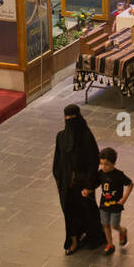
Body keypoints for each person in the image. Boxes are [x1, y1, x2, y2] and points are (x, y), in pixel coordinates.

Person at [52, 105, 104, 254]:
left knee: (87, 210)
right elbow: (57, 161)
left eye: (72, 119)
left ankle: (92, 236)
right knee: (69, 212)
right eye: (67, 119)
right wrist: (59, 182)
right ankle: (73, 239)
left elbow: (93, 162)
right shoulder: (61, 137)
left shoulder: (86, 137)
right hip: (66, 184)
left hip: (82, 184)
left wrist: (89, 186)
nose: (70, 122)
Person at [90, 147, 134, 255]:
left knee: (114, 225)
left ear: (113, 163)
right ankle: (110, 244)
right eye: (101, 164)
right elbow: (95, 184)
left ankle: (122, 231)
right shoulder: (100, 173)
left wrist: (124, 199)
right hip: (104, 204)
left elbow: (130, 184)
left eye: (106, 164)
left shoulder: (119, 175)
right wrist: (88, 190)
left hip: (116, 205)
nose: (103, 167)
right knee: (105, 224)